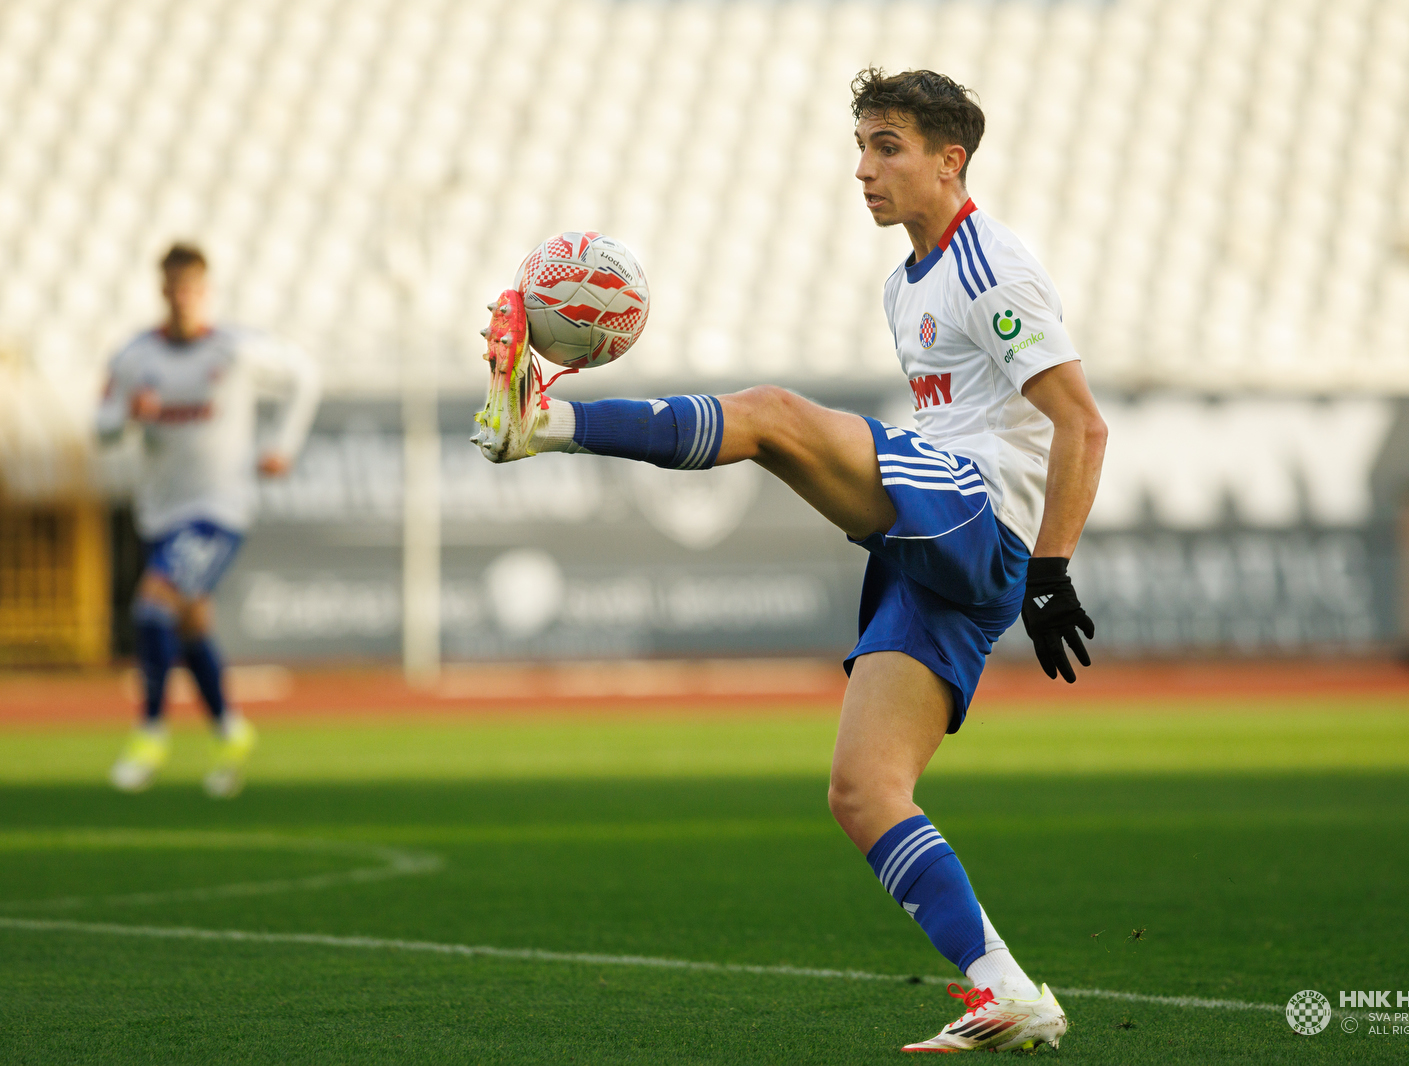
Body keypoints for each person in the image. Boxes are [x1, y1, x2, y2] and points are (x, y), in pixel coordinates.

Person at [472, 69, 1106, 1053]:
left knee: (771, 416)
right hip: (944, 547)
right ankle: (1007, 989)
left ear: (951, 160)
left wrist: (1052, 569)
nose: (863, 168)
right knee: (863, 791)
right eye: (860, 145)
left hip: (977, 514)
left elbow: (1081, 424)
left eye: (887, 146)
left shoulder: (991, 266)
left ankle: (544, 422)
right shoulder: (906, 282)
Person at [98, 243, 320, 798]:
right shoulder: (134, 358)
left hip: (219, 509)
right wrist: (129, 414)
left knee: (152, 608)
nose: (183, 299)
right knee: (191, 624)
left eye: (192, 288)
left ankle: (149, 732)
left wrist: (282, 446)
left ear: (206, 290)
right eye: (174, 289)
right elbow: (99, 427)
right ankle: (229, 729)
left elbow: (304, 376)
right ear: (162, 291)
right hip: (161, 512)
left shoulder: (234, 350)